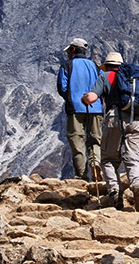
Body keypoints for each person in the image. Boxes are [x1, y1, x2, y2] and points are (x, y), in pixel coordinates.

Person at [82, 52, 139, 213]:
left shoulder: (105, 76)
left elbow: (91, 98)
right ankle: (138, 184)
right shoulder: (134, 77)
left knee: (108, 159)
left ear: (106, 66)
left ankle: (114, 192)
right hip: (137, 119)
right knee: (134, 158)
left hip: (115, 118)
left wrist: (84, 98)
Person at [56, 37, 103, 181]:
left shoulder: (67, 66)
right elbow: (102, 84)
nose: (67, 54)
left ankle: (82, 175)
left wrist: (71, 98)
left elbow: (62, 86)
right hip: (95, 107)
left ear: (73, 49)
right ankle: (95, 162)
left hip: (75, 108)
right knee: (95, 139)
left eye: (69, 51)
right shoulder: (95, 66)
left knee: (77, 140)